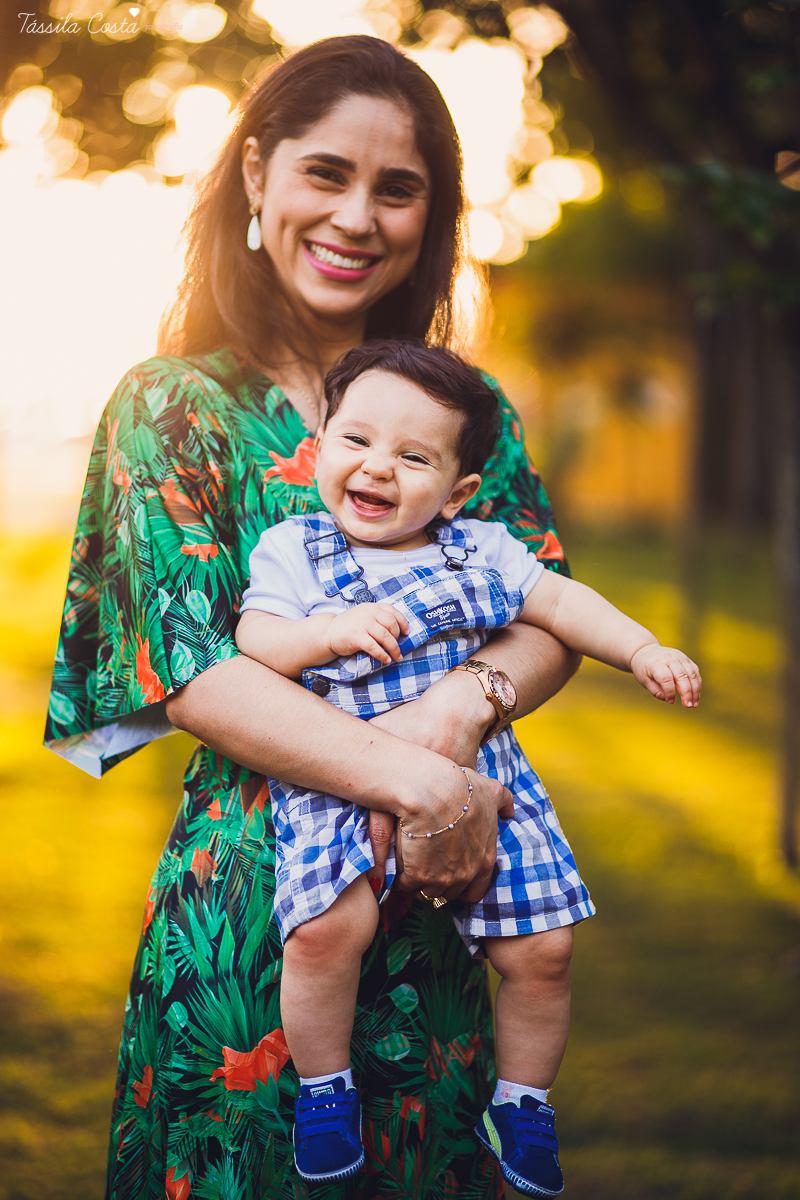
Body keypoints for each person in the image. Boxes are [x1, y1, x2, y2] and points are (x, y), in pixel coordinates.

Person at [45, 36, 582, 1200]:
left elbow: (542, 609)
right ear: (255, 177)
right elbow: (190, 671)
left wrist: (457, 708)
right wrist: (422, 782)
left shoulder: (464, 409)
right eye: (325, 173)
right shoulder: (170, 405)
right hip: (254, 926)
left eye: (397, 188)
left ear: (431, 217)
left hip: (450, 912)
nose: (357, 216)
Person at [235, 339, 702, 1195]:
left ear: (456, 492)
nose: (377, 468)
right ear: (321, 446)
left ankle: (524, 1101)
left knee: (546, 949)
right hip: (338, 780)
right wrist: (324, 635)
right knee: (322, 934)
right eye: (357, 440)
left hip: (482, 786)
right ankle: (325, 1087)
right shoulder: (293, 550)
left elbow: (559, 603)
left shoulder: (479, 548)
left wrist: (643, 649)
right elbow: (254, 641)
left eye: (413, 457)